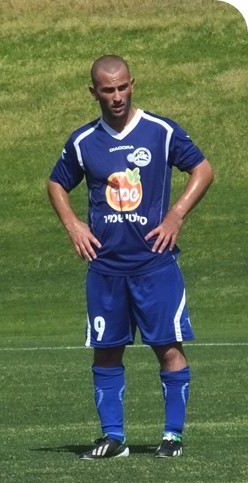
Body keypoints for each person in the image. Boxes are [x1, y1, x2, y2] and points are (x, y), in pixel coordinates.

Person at [47, 54, 214, 461]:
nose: (117, 96)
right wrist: (72, 224)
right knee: (106, 351)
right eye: (108, 90)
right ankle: (113, 437)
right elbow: (56, 183)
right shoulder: (83, 142)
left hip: (154, 264)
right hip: (105, 269)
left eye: (123, 87)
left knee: (168, 347)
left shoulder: (160, 131)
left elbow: (203, 169)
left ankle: (172, 436)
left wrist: (176, 215)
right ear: (94, 92)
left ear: (132, 84)